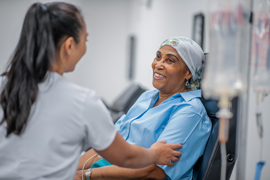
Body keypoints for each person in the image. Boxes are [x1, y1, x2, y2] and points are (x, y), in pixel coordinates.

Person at [0, 3, 182, 180]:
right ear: (69, 45)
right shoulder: (82, 101)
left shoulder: (3, 84)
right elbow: (127, 157)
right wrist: (155, 153)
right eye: (85, 40)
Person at [75, 37, 212, 180]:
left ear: (188, 73)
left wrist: (84, 175)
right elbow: (109, 145)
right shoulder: (147, 97)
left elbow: (153, 172)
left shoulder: (190, 111)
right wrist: (70, 170)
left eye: (170, 60)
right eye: (158, 57)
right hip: (104, 170)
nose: (158, 64)